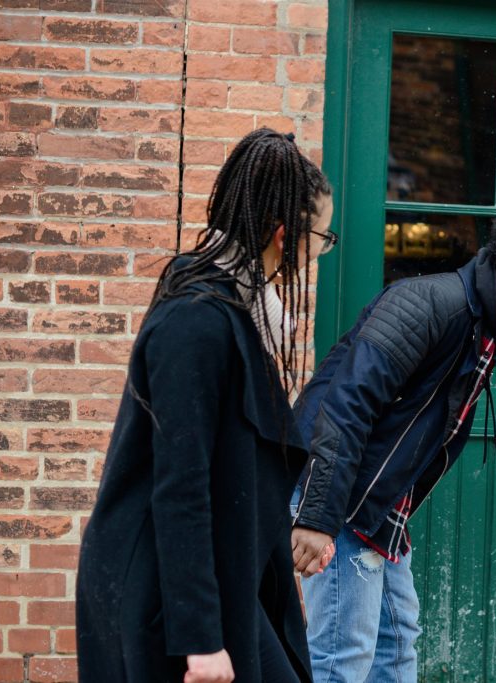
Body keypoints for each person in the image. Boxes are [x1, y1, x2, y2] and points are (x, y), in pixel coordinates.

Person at [289, 209, 496, 681]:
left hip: (380, 513)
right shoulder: (429, 305)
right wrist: (318, 517)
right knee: (342, 661)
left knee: (395, 652)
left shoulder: (478, 331)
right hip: (344, 505)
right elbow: (345, 407)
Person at [76, 128, 335, 683]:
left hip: (221, 578)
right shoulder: (196, 318)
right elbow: (180, 481)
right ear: (285, 235)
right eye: (322, 237)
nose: (321, 252)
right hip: (162, 594)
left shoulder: (239, 311)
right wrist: (201, 642)